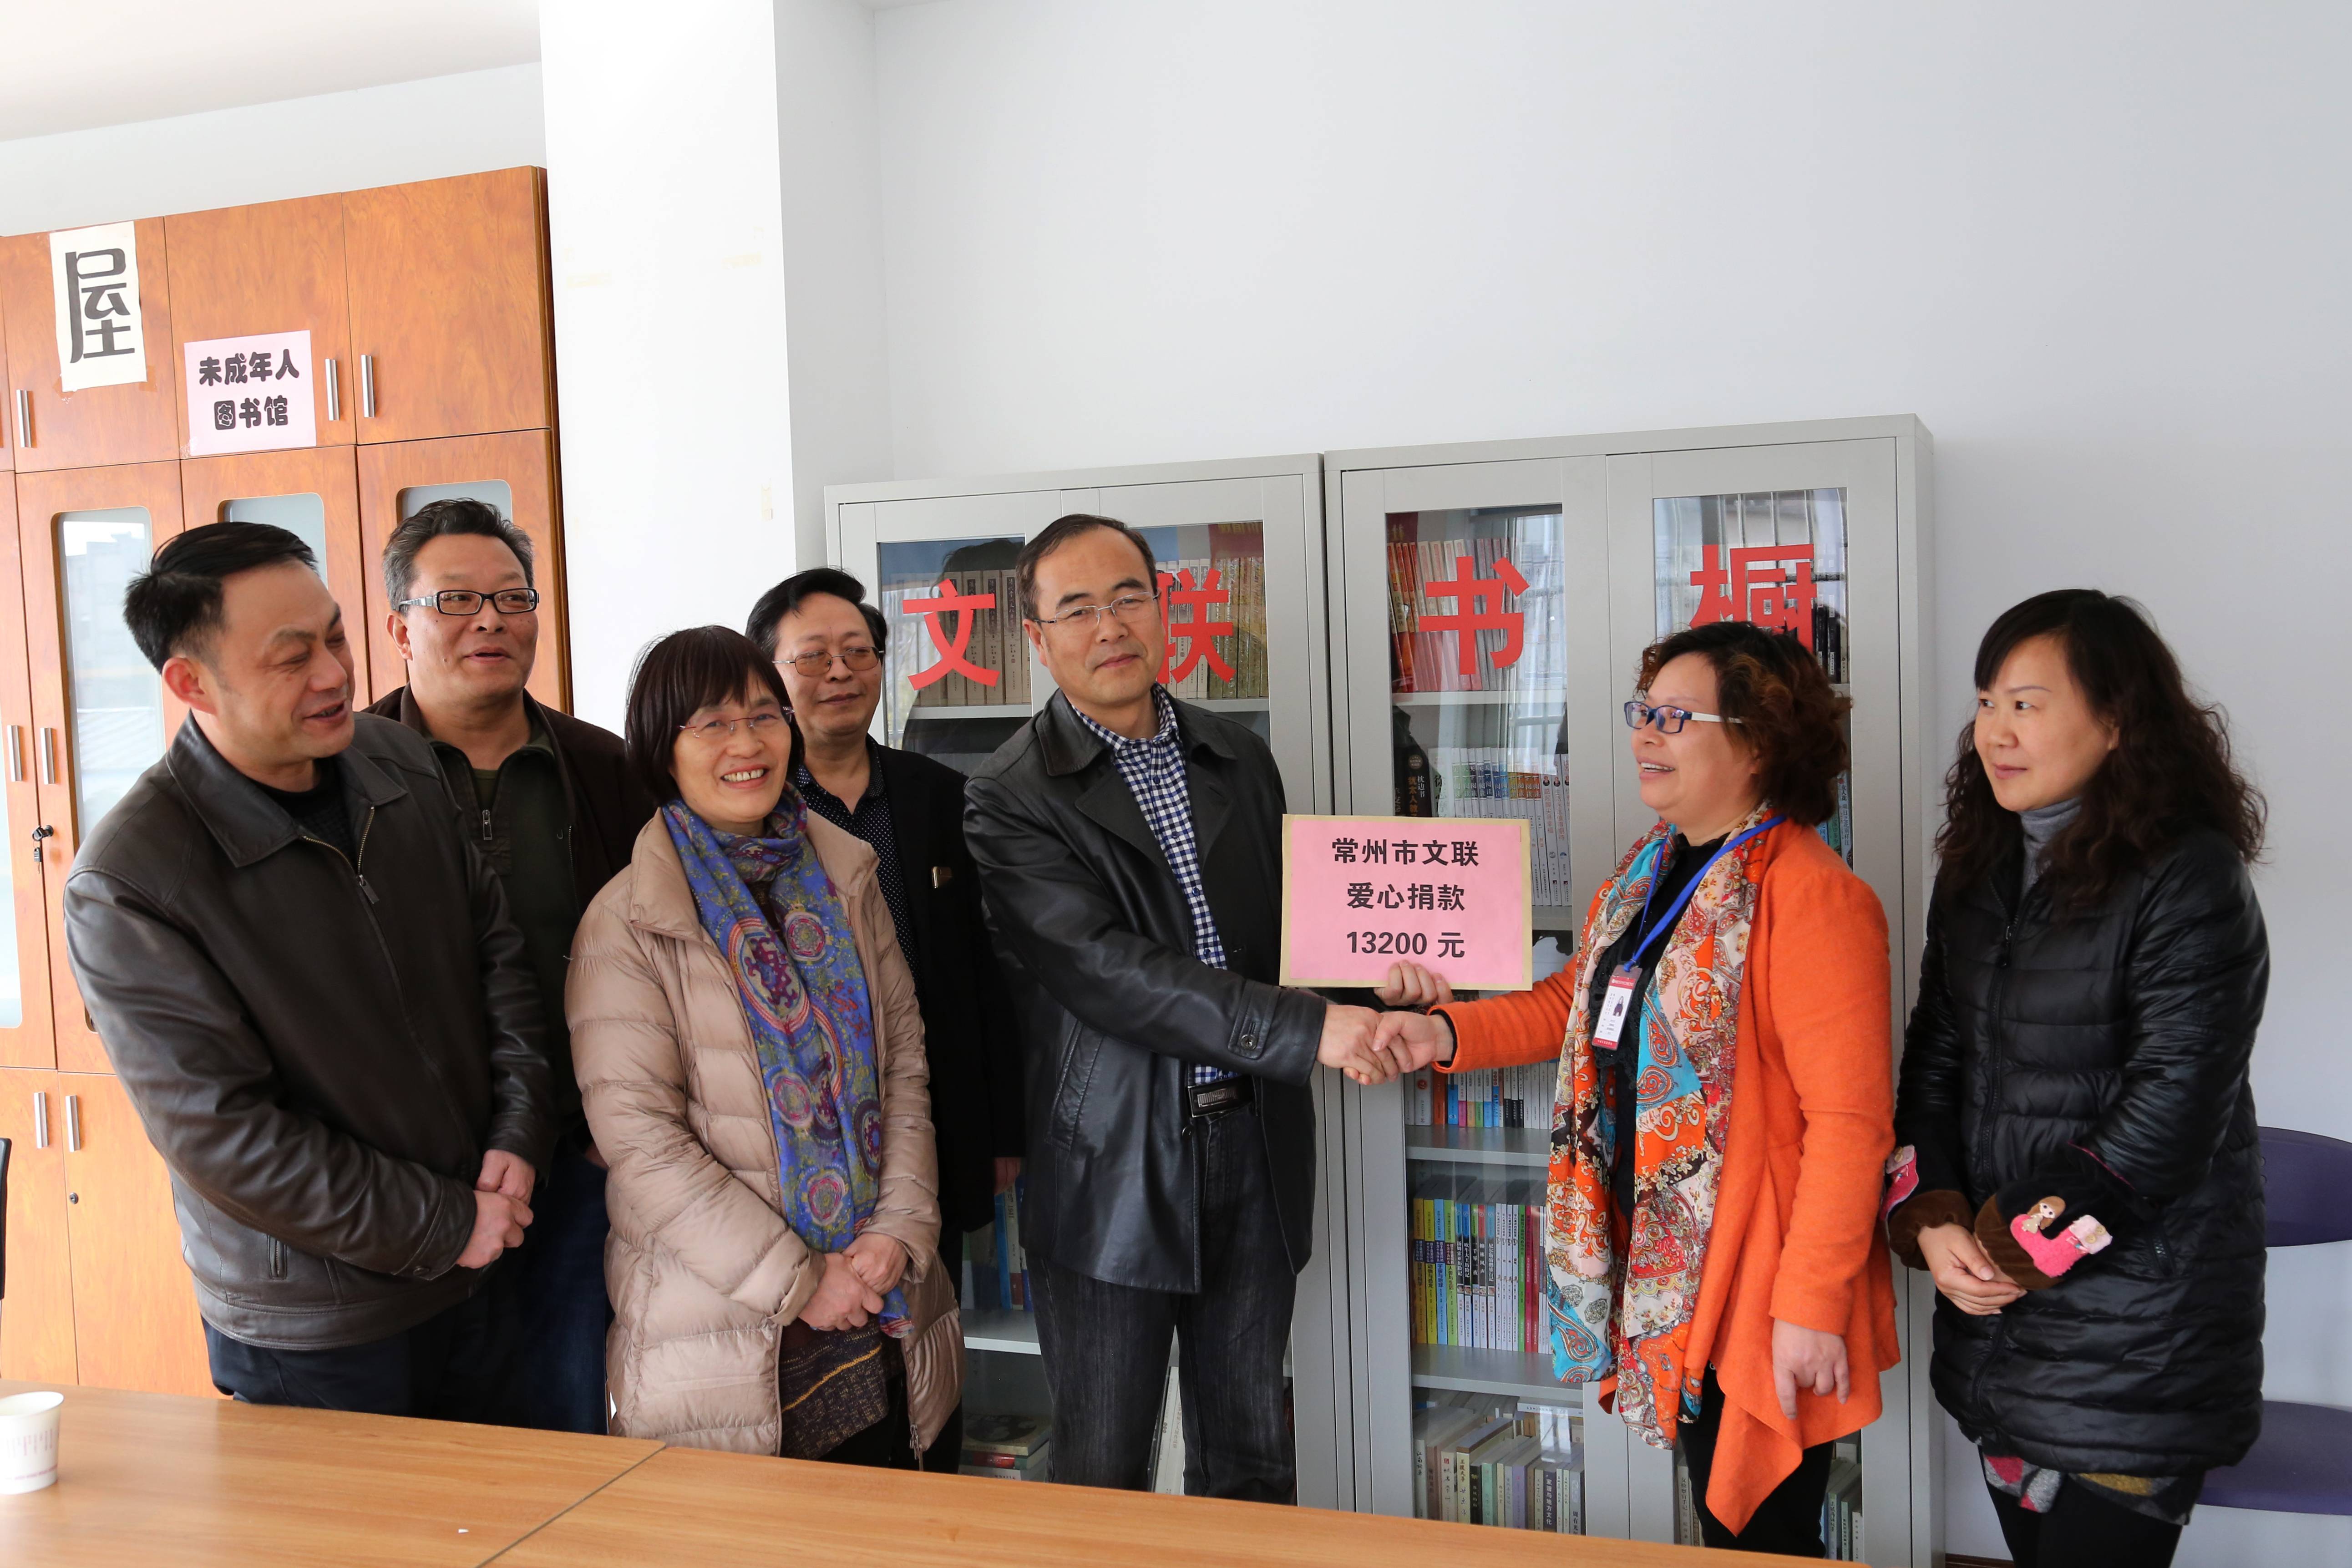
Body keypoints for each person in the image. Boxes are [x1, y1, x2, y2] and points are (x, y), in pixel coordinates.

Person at [1376, 620, 1901, 1553]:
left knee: (1760, 1531)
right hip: (1667, 1254)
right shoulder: (1653, 864)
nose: (1644, 736)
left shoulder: (1812, 893)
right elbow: (1577, 1001)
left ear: (1759, 738)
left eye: (1674, 717)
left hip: (1755, 1270)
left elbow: (1850, 1124)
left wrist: (1810, 1306)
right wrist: (1445, 1032)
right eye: (1642, 712)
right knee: (1723, 1513)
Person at [66, 523, 553, 1418]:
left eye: (335, 636)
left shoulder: (398, 761)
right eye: (292, 658)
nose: (334, 674)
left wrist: (519, 1135)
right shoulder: (132, 879)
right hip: (324, 1323)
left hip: (491, 1254)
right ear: (191, 683)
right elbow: (226, 1134)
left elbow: (498, 959)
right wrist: (445, 1221)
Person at [963, 513, 1396, 1502]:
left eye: (1128, 597)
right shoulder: (1007, 794)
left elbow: (1290, 938)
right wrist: (1310, 1029)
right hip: (1114, 1162)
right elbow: (1105, 971)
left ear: (1164, 608)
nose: (1110, 625)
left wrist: (1379, 977)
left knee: (1251, 1454)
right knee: (1104, 1463)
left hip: (1255, 1142)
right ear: (1037, 639)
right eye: (1077, 608)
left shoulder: (1238, 756)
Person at [1886, 590, 2268, 1568]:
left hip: (2139, 1331)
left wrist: (2001, 1248)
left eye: (2026, 703)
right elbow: (1934, 1059)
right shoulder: (1978, 871)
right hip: (1998, 1327)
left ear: (2116, 720)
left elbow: (2171, 1112)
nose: (1995, 731)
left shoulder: (2189, 875)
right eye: (1986, 703)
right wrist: (1932, 1217)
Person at [568, 626, 958, 1462]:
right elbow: (641, 1141)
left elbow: (902, 1065)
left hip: (883, 1300)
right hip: (726, 1335)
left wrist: (898, 1227)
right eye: (712, 723)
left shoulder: (848, 877)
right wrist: (803, 1280)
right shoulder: (626, 920)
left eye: (762, 716)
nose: (746, 743)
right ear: (662, 748)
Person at [368, 497, 656, 1434]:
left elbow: (662, 959)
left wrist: (614, 1130)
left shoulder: (607, 771)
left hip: (574, 1160)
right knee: (416, 1441)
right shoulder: (346, 776)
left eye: (511, 597)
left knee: (561, 1416)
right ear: (399, 627)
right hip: (407, 1174)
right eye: (456, 599)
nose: (489, 619)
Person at [746, 567, 1024, 1473]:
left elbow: (984, 969)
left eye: (858, 652)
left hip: (924, 1131)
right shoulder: (749, 806)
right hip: (797, 1142)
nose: (840, 672)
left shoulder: (938, 794)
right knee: (817, 1374)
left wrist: (1001, 1130)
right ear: (767, 675)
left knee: (923, 1351)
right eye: (812, 657)